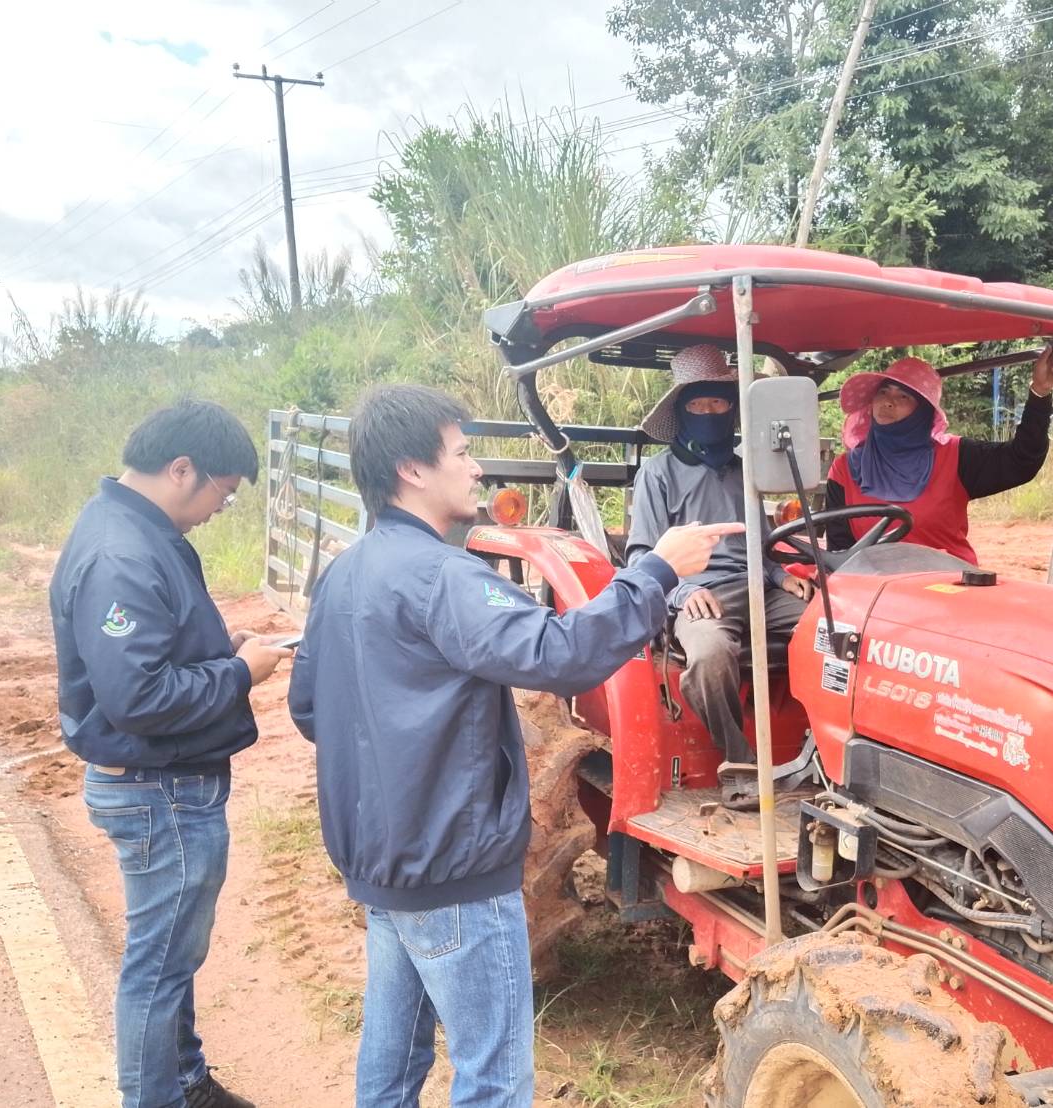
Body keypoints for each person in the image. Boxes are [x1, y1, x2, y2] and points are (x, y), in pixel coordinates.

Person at [286, 383, 737, 1108]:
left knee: (393, 1055)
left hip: (384, 862)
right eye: (461, 454)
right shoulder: (443, 578)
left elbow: (309, 706)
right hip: (453, 870)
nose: (475, 469)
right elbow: (559, 654)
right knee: (491, 1078)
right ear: (412, 469)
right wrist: (657, 569)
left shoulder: (344, 572)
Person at [49, 400, 292, 1108]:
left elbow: (149, 651)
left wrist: (225, 647)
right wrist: (241, 672)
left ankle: (185, 1082)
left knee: (172, 954)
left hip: (162, 784)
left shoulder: (132, 530)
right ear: (181, 468)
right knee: (157, 967)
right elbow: (139, 698)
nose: (222, 507)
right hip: (160, 791)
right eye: (223, 491)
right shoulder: (122, 552)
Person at [625, 344, 813, 806]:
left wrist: (777, 576)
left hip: (758, 590)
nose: (709, 413)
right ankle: (740, 765)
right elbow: (641, 554)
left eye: (719, 403)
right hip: (696, 592)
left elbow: (761, 546)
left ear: (732, 410)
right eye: (698, 405)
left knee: (836, 628)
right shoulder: (658, 473)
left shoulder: (745, 471)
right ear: (682, 412)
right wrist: (683, 588)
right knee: (708, 654)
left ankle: (824, 749)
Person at [824, 348, 1053, 564]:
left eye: (903, 396)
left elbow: (1021, 461)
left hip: (947, 590)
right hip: (875, 596)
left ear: (922, 411)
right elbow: (839, 550)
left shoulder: (954, 455)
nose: (888, 402)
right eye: (883, 392)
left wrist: (1039, 392)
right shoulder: (845, 468)